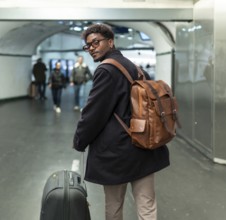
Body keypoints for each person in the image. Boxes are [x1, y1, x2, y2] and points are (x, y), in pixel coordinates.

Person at [72, 23, 170, 220]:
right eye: (88, 45)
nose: (91, 48)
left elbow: (94, 113)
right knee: (147, 205)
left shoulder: (106, 70)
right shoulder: (135, 67)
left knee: (114, 206)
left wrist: (79, 141)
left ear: (110, 42)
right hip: (143, 144)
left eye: (95, 43)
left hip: (116, 152)